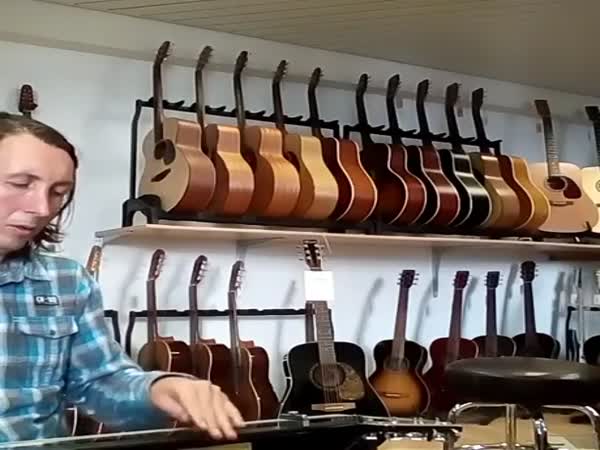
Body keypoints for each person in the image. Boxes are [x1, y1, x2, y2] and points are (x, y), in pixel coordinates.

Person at [0, 112, 244, 442]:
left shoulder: (67, 281)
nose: (43, 208)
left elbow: (99, 381)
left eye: (58, 192)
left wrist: (160, 388)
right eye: (20, 184)